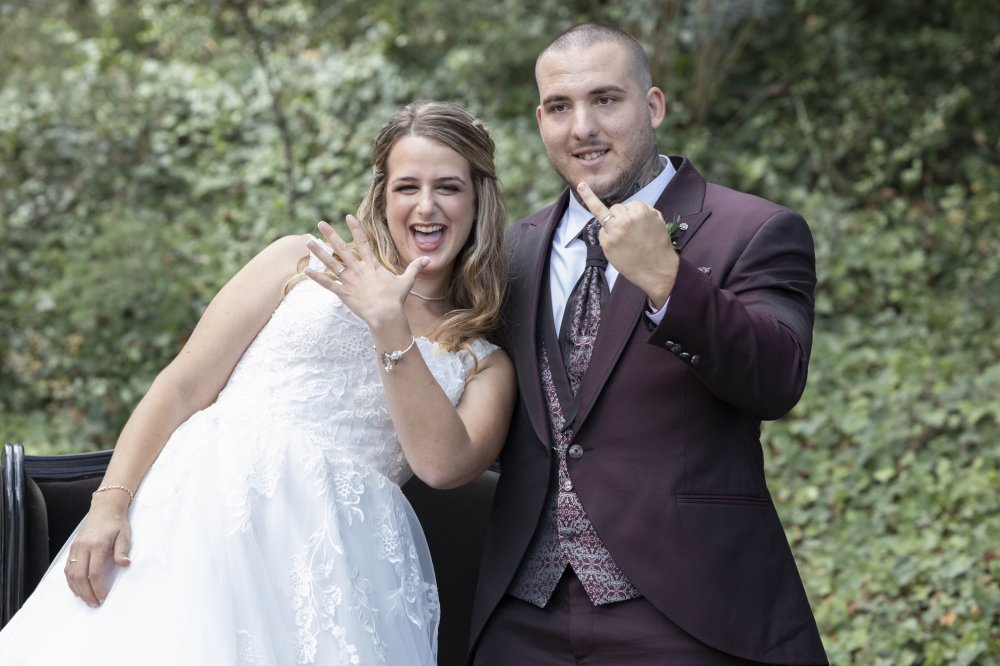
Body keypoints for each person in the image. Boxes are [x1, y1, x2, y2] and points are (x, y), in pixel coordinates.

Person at [0, 100, 516, 665]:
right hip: (204, 511)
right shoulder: (299, 260)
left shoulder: (485, 362)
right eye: (406, 187)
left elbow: (441, 466)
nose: (426, 206)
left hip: (335, 563)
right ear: (382, 196)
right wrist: (109, 505)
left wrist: (388, 323)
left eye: (448, 188)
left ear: (477, 199)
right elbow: (182, 387)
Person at [469, 23, 828, 665]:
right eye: (560, 107)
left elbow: (776, 380)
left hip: (689, 612)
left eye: (606, 99)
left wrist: (668, 279)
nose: (583, 127)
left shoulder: (754, 229)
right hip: (523, 618)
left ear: (653, 105)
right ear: (542, 121)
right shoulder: (512, 251)